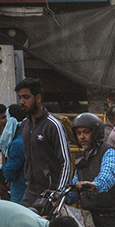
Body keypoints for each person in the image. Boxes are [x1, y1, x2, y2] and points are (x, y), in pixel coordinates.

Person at [16, 77, 73, 208]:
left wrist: (58, 194)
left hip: (49, 194)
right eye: (20, 98)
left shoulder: (53, 126)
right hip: (30, 191)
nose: (22, 102)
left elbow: (66, 161)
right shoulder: (24, 125)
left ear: (38, 98)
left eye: (26, 97)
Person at [0, 104, 27, 204]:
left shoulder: (17, 144)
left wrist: (3, 153)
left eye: (6, 118)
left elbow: (9, 173)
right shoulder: (27, 136)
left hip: (21, 194)